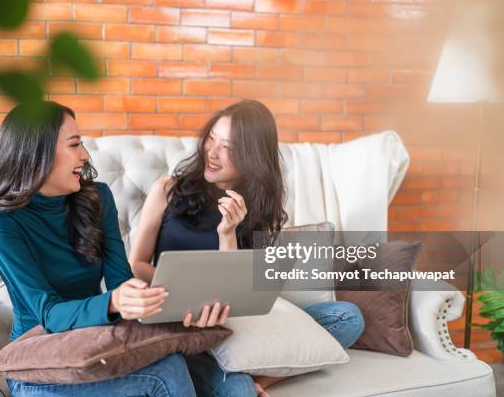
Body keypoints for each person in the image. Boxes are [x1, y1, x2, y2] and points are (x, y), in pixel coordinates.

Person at [0, 101, 207, 397]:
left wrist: (167, 303)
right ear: (36, 152)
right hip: (37, 359)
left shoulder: (97, 197)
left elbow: (121, 282)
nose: (85, 156)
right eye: (75, 144)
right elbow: (49, 314)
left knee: (191, 366)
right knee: (167, 373)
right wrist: (114, 302)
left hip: (94, 342)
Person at [129, 99, 365, 397]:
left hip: (233, 326)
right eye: (212, 138)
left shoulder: (259, 209)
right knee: (239, 392)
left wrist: (227, 233)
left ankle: (262, 378)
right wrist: (181, 295)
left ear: (252, 156)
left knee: (347, 317)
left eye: (228, 147)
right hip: (180, 323)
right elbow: (137, 262)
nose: (212, 153)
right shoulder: (168, 188)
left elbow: (240, 291)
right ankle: (245, 375)